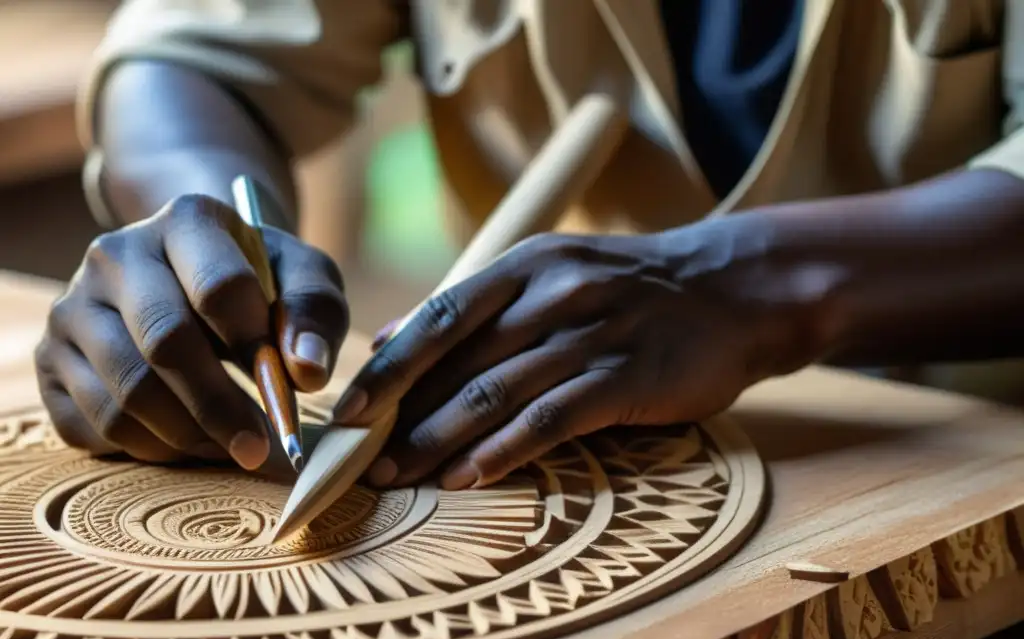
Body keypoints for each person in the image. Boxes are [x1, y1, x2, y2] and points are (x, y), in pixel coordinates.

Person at [35, 0, 1024, 491]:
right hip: (561, 466)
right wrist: (206, 242)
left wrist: (759, 284)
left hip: (969, 469)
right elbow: (195, 53)